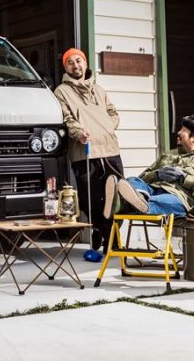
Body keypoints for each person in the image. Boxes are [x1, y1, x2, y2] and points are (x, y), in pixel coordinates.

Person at [54, 47, 123, 251]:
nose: (76, 65)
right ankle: (102, 231)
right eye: (70, 62)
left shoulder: (99, 90)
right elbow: (67, 118)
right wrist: (78, 133)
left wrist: (108, 127)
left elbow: (113, 112)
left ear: (85, 63)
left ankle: (113, 240)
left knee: (117, 198)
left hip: (110, 149)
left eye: (79, 61)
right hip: (84, 151)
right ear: (65, 67)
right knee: (88, 200)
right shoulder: (62, 91)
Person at [103, 114, 194, 221]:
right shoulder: (169, 154)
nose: (178, 132)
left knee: (158, 202)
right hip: (151, 189)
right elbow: (142, 177)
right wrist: (157, 174)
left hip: (177, 196)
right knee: (132, 181)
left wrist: (184, 178)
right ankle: (136, 200)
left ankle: (122, 203)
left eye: (183, 130)